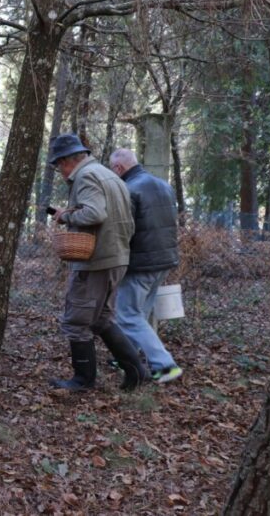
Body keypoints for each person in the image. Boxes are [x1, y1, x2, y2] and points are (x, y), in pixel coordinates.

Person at [48, 134, 148, 391]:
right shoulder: (108, 174)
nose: (60, 171)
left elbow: (94, 213)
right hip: (115, 257)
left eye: (59, 165)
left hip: (96, 260)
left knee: (76, 321)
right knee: (101, 319)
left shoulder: (86, 176)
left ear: (68, 160)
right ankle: (136, 371)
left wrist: (66, 217)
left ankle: (83, 380)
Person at [109, 148, 183, 383]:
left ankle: (165, 365)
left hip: (140, 264)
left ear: (119, 168)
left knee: (127, 315)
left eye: (113, 170)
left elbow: (124, 231)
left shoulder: (129, 189)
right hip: (164, 261)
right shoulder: (163, 185)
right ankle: (126, 356)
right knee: (137, 313)